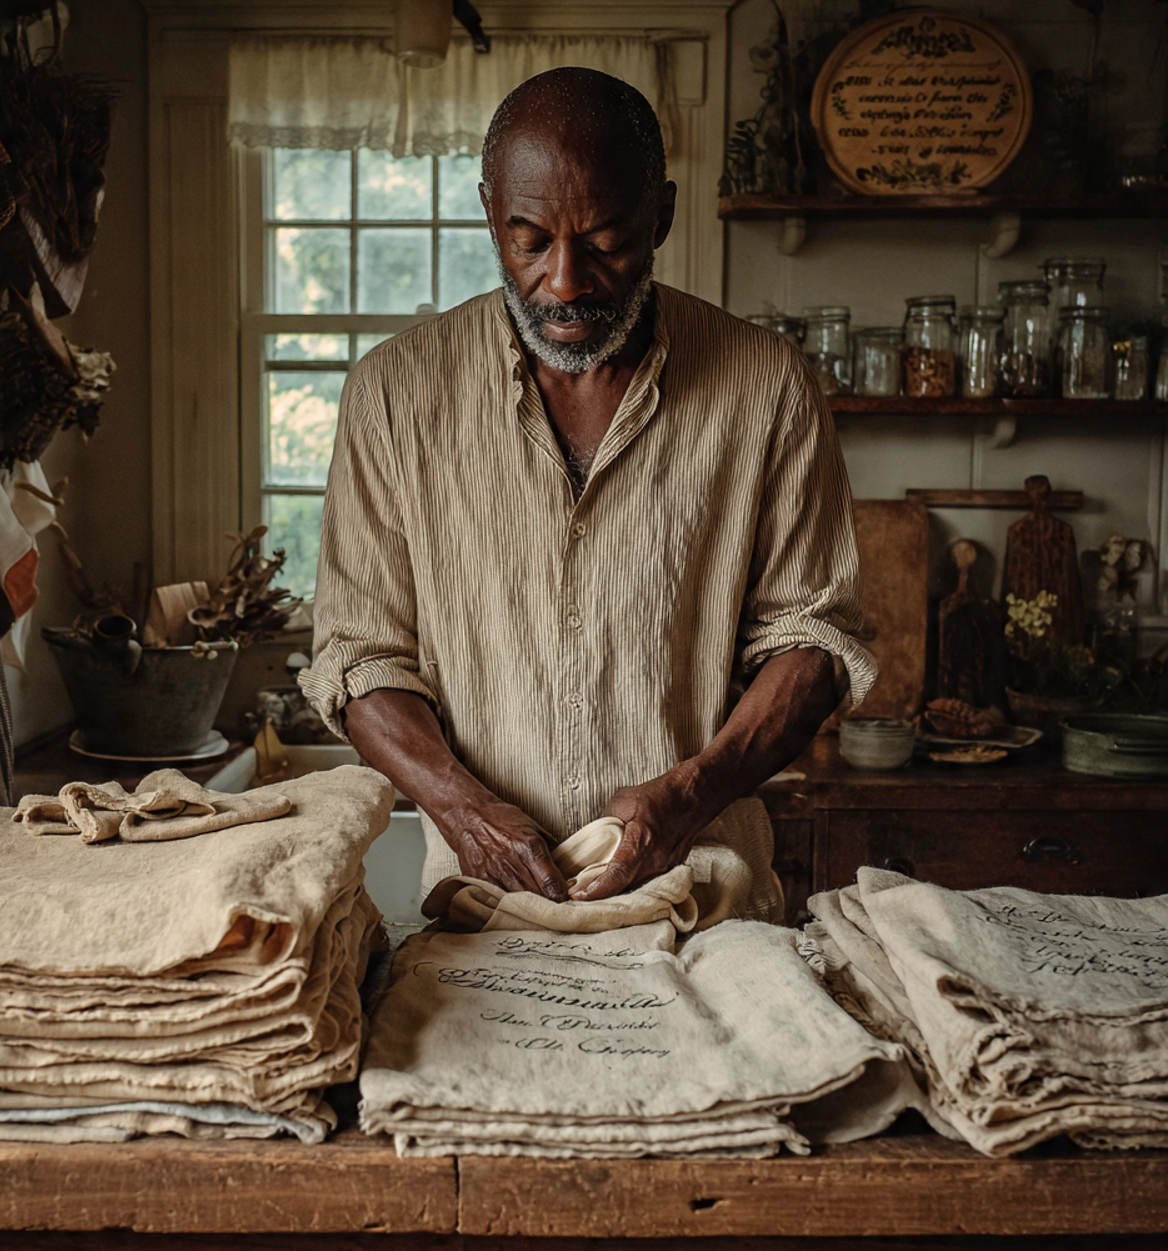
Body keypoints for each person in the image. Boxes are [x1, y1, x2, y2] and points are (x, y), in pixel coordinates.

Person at [300, 67, 874, 919]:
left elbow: (814, 644)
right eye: (530, 241)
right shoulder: (394, 395)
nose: (566, 284)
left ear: (662, 217)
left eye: (607, 241)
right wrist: (467, 812)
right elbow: (359, 659)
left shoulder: (767, 386)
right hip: (483, 913)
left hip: (703, 900)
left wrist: (684, 799)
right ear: (491, 213)